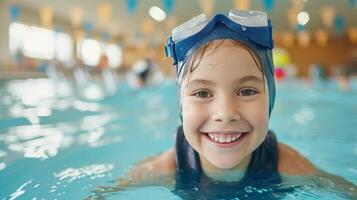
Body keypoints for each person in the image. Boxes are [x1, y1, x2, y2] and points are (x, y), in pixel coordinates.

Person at [91, 9, 357, 199]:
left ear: (271, 99)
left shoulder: (282, 161)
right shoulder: (170, 166)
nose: (226, 114)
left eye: (247, 90)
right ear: (181, 105)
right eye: (203, 93)